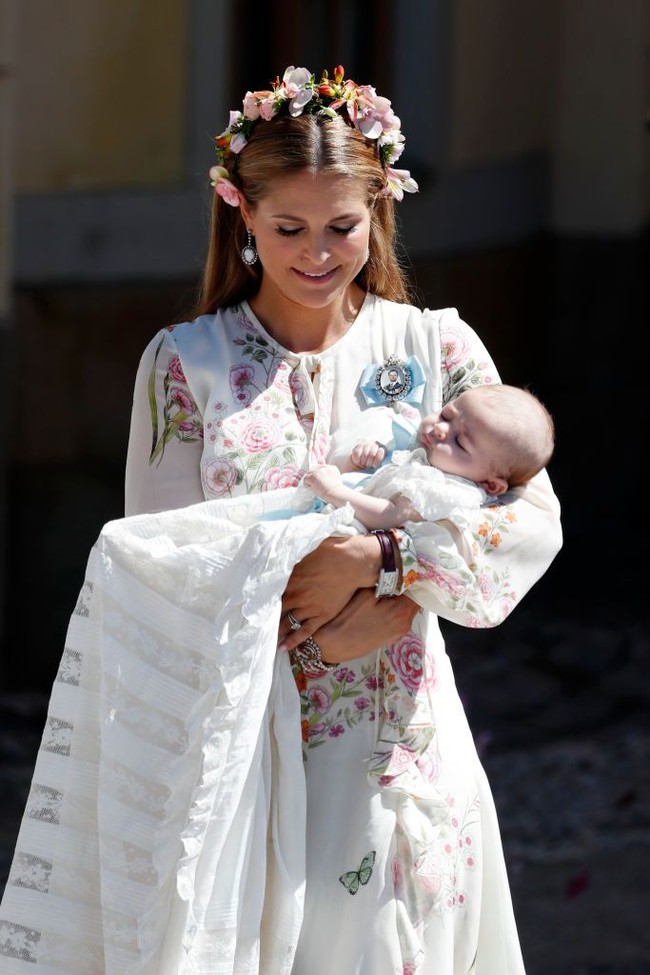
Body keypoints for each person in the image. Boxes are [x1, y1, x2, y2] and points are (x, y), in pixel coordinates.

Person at [0, 64, 562, 975]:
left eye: (342, 226)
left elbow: (528, 522)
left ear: (378, 211)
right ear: (243, 216)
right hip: (242, 759)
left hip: (397, 756)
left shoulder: (436, 348)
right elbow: (159, 572)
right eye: (288, 227)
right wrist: (304, 594)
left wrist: (383, 566)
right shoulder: (187, 366)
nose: (318, 254)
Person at [303, 382, 556, 530]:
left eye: (460, 442)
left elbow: (391, 516)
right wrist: (359, 461)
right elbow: (367, 483)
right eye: (446, 415)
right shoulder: (419, 450)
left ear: (491, 484)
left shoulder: (447, 491)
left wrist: (333, 492)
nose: (440, 429)